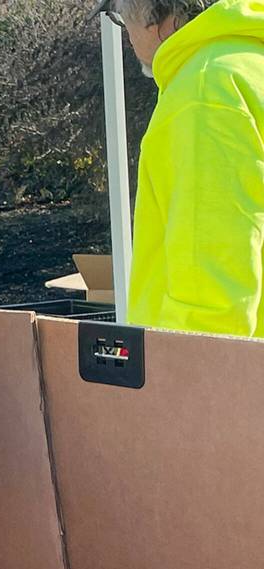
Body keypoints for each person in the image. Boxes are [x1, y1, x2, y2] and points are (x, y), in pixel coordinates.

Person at [91, 0, 264, 336]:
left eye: (122, 17)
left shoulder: (206, 90)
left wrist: (180, 380)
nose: (126, 33)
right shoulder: (248, 64)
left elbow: (210, 291)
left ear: (161, 17)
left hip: (229, 375)